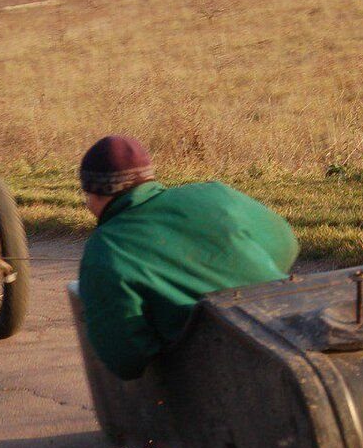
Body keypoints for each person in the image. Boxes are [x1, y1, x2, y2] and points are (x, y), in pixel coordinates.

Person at [77, 135, 299, 380]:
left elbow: (125, 360)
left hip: (215, 374)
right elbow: (286, 243)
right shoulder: (215, 194)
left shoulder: (105, 249)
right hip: (290, 333)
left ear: (96, 194)